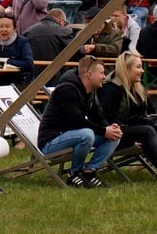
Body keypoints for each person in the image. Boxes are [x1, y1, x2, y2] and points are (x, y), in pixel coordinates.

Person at [99, 53, 157, 184]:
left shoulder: (136, 87)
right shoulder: (111, 89)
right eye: (138, 67)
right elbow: (109, 121)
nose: (142, 71)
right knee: (147, 131)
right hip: (115, 134)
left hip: (136, 130)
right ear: (127, 69)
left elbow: (150, 111)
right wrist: (131, 141)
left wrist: (152, 118)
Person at [37, 54, 123, 188]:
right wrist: (103, 131)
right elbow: (75, 121)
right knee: (86, 134)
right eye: (101, 73)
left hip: (71, 136)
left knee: (114, 136)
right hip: (51, 142)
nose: (104, 77)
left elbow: (96, 116)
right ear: (89, 74)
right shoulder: (67, 90)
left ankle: (89, 172)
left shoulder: (89, 91)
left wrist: (109, 128)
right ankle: (75, 173)